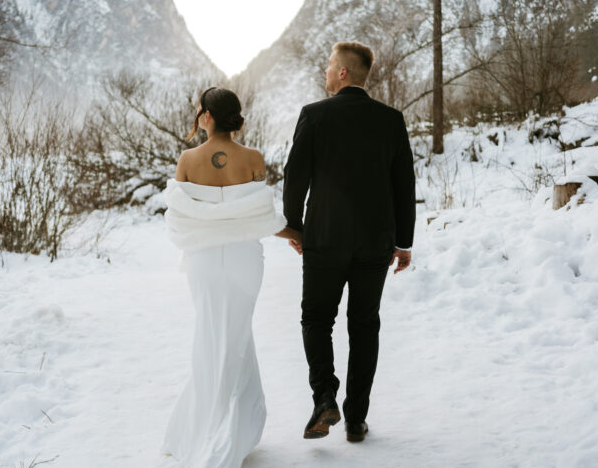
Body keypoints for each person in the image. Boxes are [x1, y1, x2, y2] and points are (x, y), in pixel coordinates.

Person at [281, 41, 416, 443]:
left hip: (324, 238)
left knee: (317, 319)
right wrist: (403, 241)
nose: (325, 72)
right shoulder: (391, 120)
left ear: (343, 72)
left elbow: (295, 177)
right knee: (364, 326)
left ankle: (325, 397)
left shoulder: (314, 116)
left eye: (328, 66)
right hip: (376, 242)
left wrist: (295, 227)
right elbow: (403, 184)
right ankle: (356, 419)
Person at [161, 87, 292, 468]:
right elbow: (257, 216)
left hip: (203, 259)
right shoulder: (253, 158)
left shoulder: (188, 159)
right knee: (237, 334)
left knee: (209, 334)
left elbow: (180, 217)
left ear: (206, 116)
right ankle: (232, 429)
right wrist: (294, 235)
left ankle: (210, 428)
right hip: (244, 260)